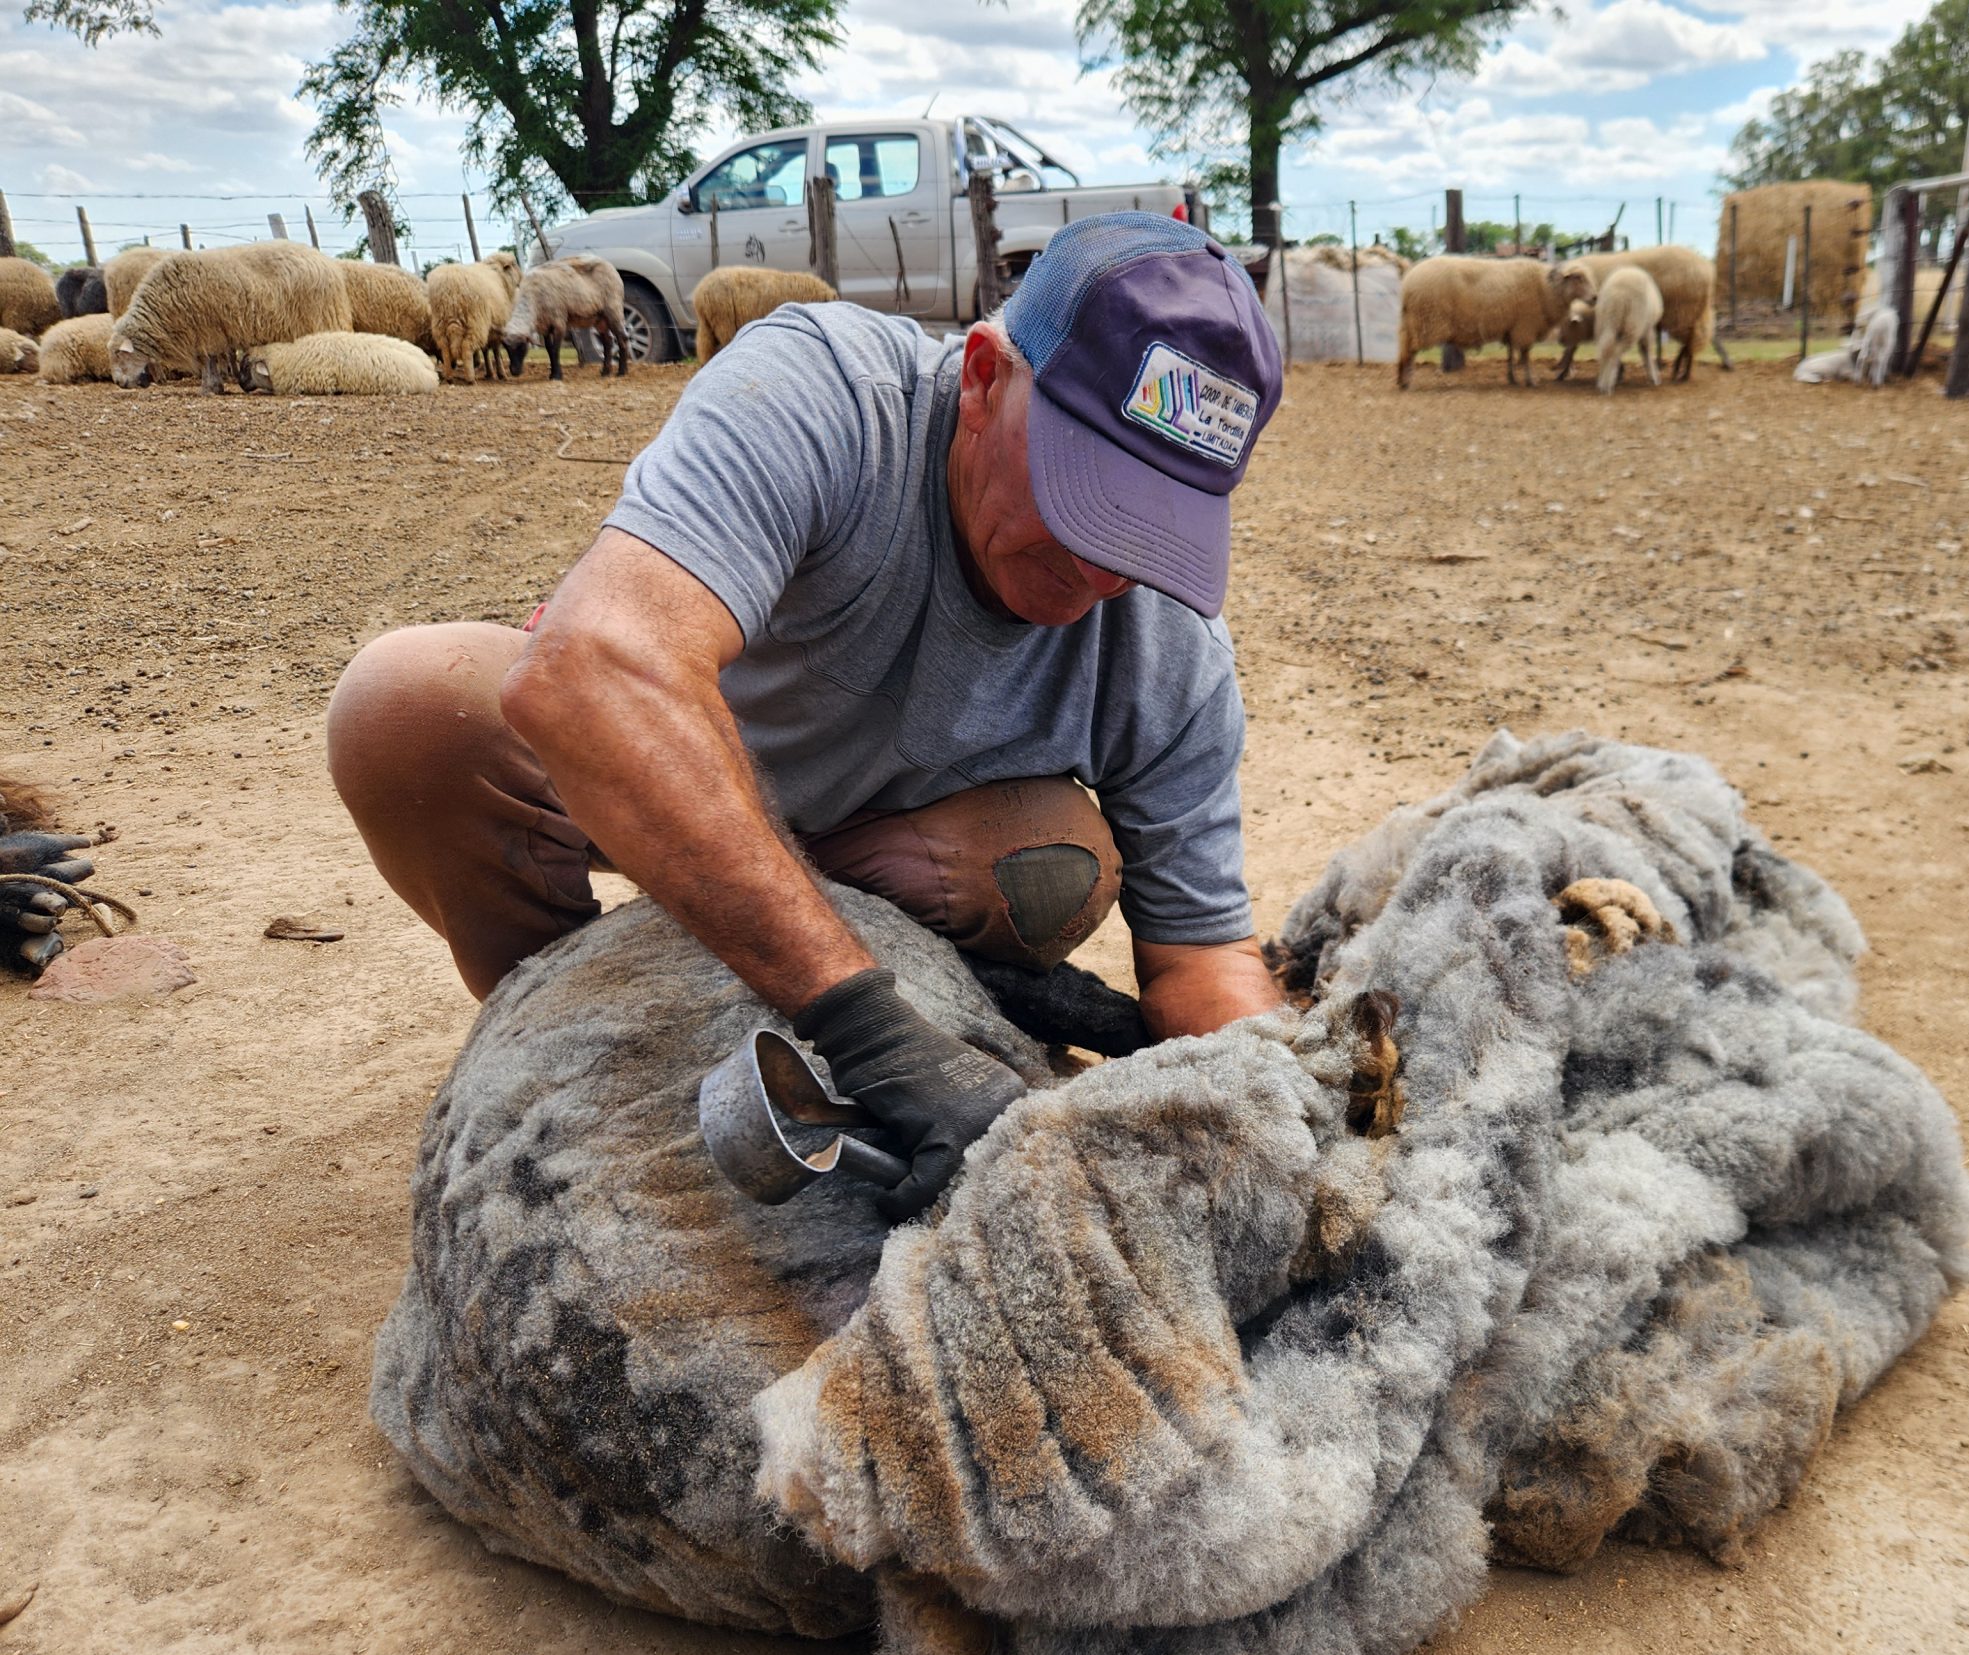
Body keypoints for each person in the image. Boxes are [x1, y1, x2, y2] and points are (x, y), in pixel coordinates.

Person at [327, 212, 1287, 1218]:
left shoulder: (1169, 643)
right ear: (981, 380)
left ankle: (908, 1008)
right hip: (670, 784)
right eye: (1082, 496)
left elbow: (1202, 957)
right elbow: (594, 673)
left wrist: (1270, 1130)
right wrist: (871, 1031)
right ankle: (581, 1045)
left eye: (1152, 527)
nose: (1100, 570)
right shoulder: (822, 392)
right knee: (409, 705)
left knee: (1052, 864)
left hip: (884, 853)